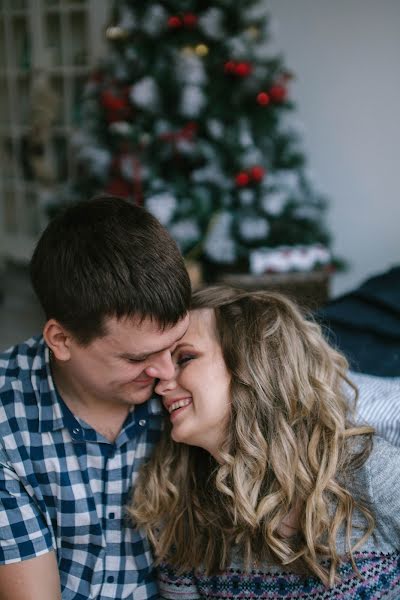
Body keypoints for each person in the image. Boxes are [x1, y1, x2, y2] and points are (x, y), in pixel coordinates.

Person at [131, 286, 400, 599]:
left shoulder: (367, 470)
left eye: (185, 358)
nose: (162, 383)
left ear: (252, 362)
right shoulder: (181, 508)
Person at [0, 196, 191, 600]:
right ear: (62, 340)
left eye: (175, 347)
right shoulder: (5, 418)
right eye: (137, 358)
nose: (167, 373)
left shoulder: (192, 382)